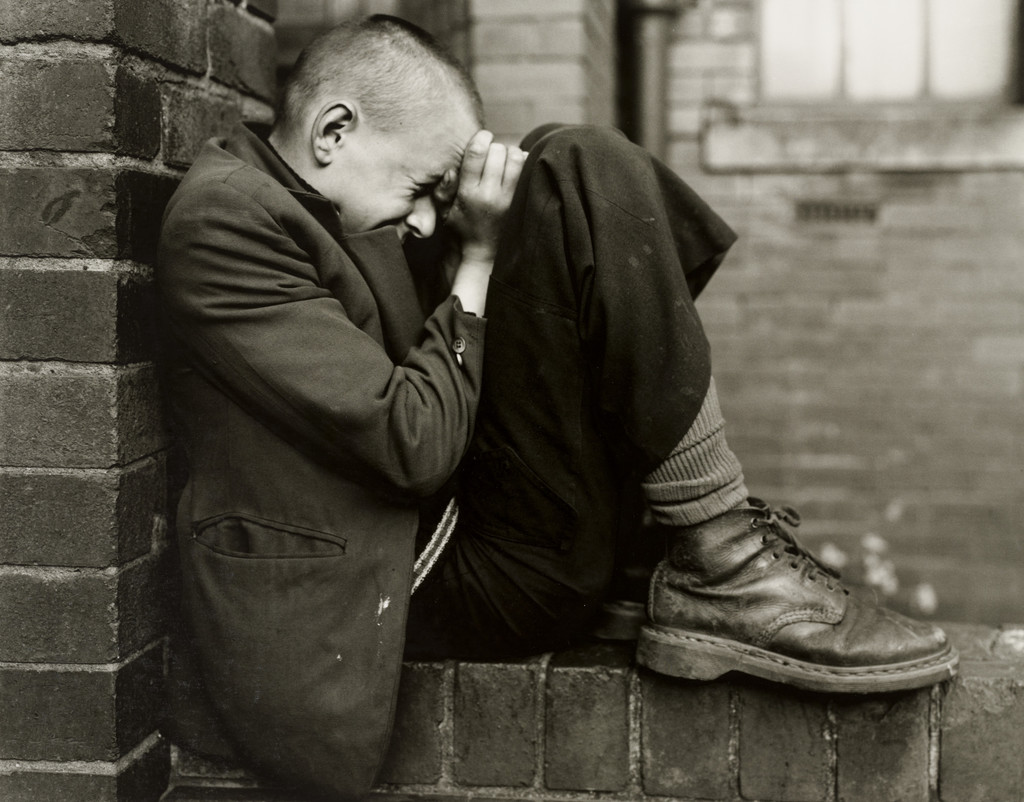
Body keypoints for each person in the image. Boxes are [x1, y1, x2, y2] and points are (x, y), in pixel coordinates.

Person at [156, 15, 958, 801]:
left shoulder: (330, 199)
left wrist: (508, 229)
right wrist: (477, 258)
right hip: (406, 584)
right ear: (334, 132)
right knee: (577, 163)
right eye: (423, 188)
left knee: (561, 161)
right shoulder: (228, 220)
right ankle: (724, 560)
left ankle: (713, 545)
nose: (427, 218)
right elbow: (411, 441)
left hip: (469, 530)